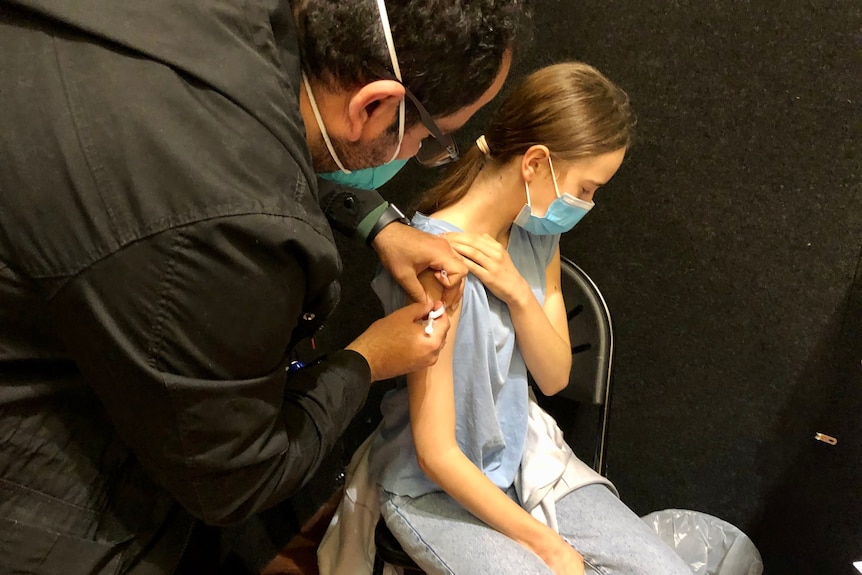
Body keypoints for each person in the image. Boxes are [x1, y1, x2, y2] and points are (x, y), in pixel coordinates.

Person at [0, 1, 528, 573]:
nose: (419, 155)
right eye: (430, 138)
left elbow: (228, 144)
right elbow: (235, 479)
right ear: (377, 105)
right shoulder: (230, 237)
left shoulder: (221, 30)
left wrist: (377, 224)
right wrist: (367, 360)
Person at [366, 63, 693, 575]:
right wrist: (548, 545)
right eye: (587, 188)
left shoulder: (539, 236)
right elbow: (436, 453)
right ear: (535, 163)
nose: (587, 205)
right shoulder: (434, 261)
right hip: (436, 489)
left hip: (524, 459)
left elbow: (554, 376)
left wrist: (518, 292)